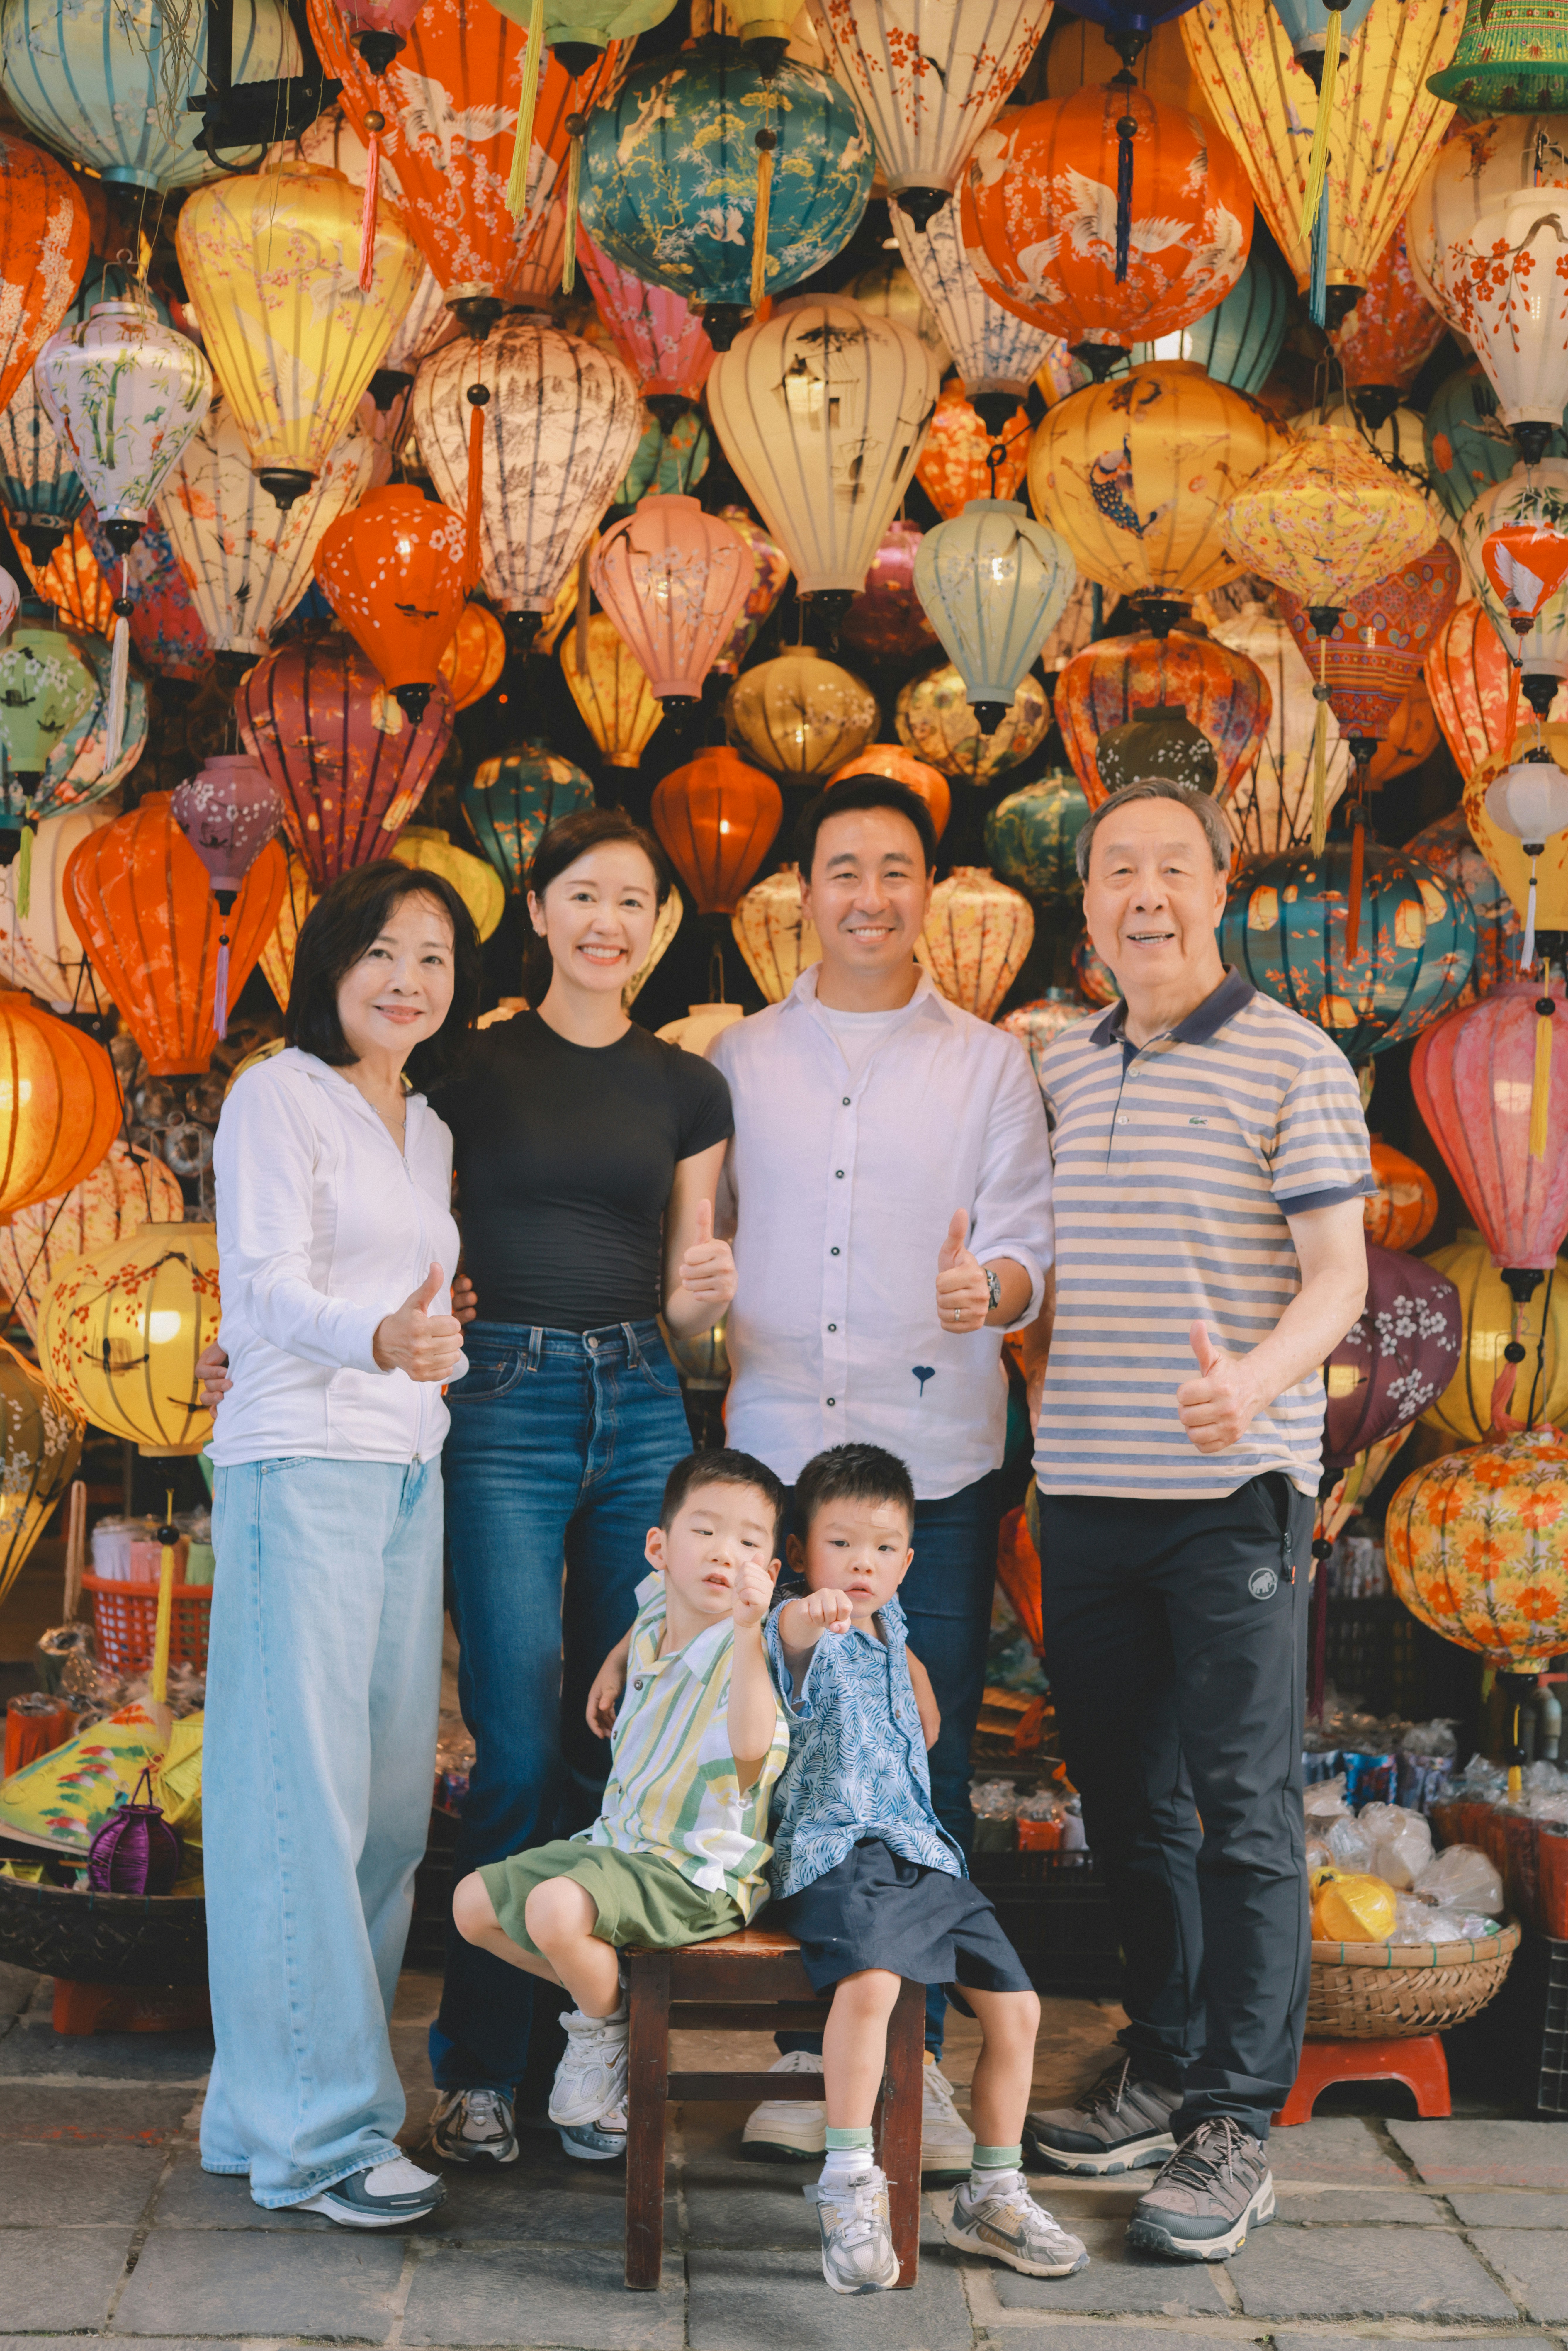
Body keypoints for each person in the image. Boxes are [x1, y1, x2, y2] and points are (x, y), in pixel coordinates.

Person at [1021, 780, 1371, 2263]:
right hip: (1085, 1493)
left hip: (1230, 1496)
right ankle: (1159, 2059)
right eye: (1117, 871)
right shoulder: (1059, 1064)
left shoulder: (1295, 1058)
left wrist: (1259, 1383)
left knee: (1240, 1809)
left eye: (1172, 867)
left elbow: (1341, 1277)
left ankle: (1236, 2110)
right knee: (1128, 1801)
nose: (1144, 893)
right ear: (1088, 901)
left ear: (1219, 888)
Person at [704, 775, 1054, 2173]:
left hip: (932, 1467)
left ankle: (908, 2061)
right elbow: (701, 1245)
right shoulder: (740, 1056)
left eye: (896, 869)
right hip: (783, 1456)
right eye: (842, 867)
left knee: (922, 1746)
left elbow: (1028, 1238)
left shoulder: (986, 1063)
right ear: (803, 888)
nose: (869, 894)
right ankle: (811, 2052)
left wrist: (998, 1287)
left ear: (931, 891)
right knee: (782, 1752)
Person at [432, 807, 737, 2163]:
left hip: (641, 1399)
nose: (608, 921)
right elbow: (414, 1231)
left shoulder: (689, 1087)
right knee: (512, 1735)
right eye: (583, 895)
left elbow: (684, 1305)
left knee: (628, 1737)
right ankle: (483, 2065)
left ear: (659, 927)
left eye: (634, 902)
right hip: (499, 1401)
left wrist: (700, 1298)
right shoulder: (466, 1064)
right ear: (539, 907)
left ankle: (595, 2057)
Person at [201, 863, 482, 2227]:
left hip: (401, 1461)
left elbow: (407, 1284)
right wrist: (374, 1336)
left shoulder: (423, 1125)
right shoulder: (279, 1093)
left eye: (432, 956)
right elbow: (258, 1287)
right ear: (330, 964)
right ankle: (318, 2131)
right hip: (301, 1453)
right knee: (297, 1799)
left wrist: (426, 1334)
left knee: (379, 1810)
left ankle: (261, 2095)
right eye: (382, 949)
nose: (408, 978)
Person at [762, 1442, 1085, 2295]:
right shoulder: (800, 1624)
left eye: (879, 1548)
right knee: (869, 1985)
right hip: (836, 1853)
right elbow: (791, 1633)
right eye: (839, 1544)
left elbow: (932, 1727)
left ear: (906, 1560)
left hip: (922, 1854)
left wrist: (899, 1666)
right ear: (799, 1552)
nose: (859, 1564)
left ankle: (993, 2189)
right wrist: (810, 1609)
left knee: (1018, 2008)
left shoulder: (893, 1631)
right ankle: (847, 2181)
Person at [452, 1447, 790, 2158]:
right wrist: (612, 1662)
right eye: (704, 1531)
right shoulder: (654, 1611)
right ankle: (630, 2013)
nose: (724, 1553)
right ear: (658, 1548)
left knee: (552, 1908)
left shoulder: (747, 1651)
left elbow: (755, 1751)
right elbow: (645, 1608)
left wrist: (752, 1632)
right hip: (622, 1845)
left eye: (749, 1542)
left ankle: (606, 2031)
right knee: (472, 1906)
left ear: (769, 1573)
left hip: (696, 1872)